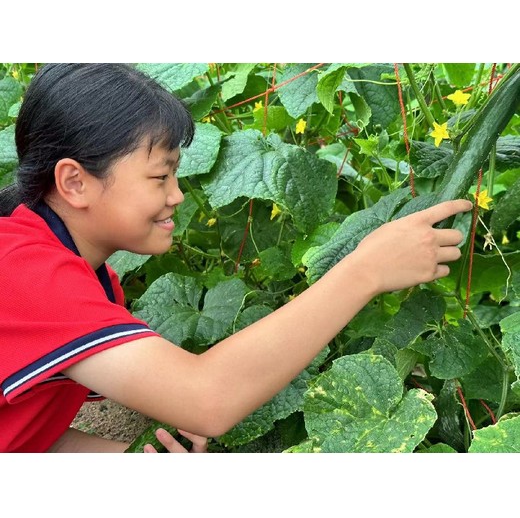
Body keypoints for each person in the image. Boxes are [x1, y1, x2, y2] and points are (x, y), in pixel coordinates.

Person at [0, 63, 472, 453]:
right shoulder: (27, 272)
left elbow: (26, 428)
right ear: (75, 182)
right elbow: (208, 399)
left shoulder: (72, 266)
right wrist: (366, 270)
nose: (177, 196)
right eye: (160, 177)